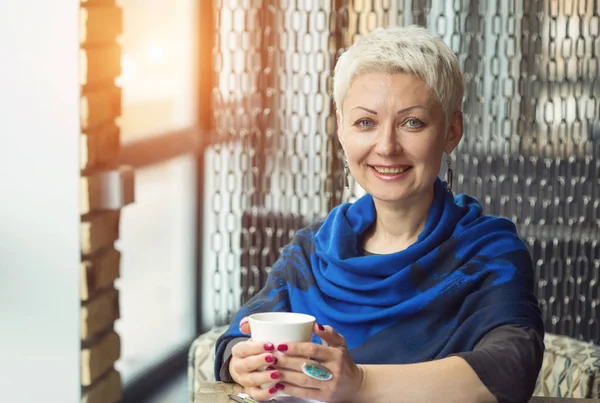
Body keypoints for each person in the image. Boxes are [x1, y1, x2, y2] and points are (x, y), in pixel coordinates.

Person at [214, 25, 545, 403]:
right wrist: (241, 360)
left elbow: (511, 369)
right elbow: (237, 338)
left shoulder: (490, 252)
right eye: (365, 122)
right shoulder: (312, 250)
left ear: (452, 131)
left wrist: (359, 384)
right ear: (341, 128)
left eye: (412, 123)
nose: (386, 147)